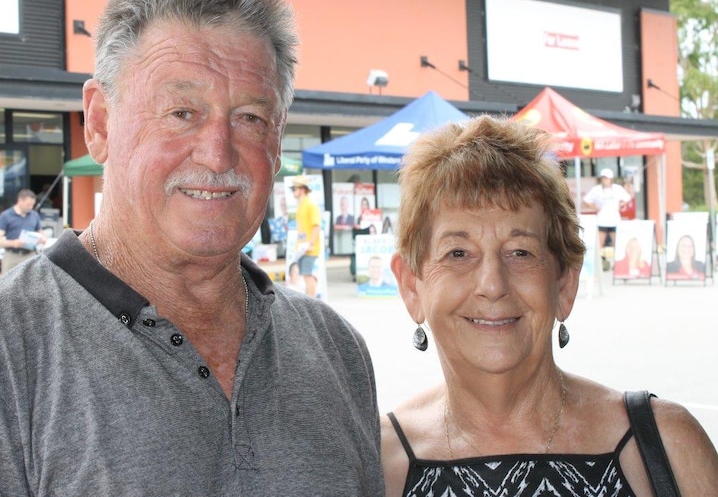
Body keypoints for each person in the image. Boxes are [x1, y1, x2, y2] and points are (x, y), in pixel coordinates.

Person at [0, 0, 383, 496]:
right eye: (181, 112)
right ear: (99, 123)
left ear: (279, 138)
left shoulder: (336, 349)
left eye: (250, 118)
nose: (218, 155)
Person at [382, 115, 718, 496]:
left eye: (520, 252)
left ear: (565, 283)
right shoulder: (374, 464)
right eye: (458, 253)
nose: (492, 284)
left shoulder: (665, 448)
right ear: (411, 285)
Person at [0, 188, 47, 273]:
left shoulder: (34, 215)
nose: (30, 207)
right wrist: (13, 243)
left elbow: (40, 233)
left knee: (32, 283)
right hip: (12, 255)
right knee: (7, 283)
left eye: (32, 205)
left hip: (30, 254)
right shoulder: (6, 216)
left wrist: (42, 239)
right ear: (20, 200)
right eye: (28, 205)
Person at [582, 168, 631, 256]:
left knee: (616, 242)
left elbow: (627, 198)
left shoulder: (617, 188)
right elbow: (586, 200)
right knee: (600, 243)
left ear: (611, 179)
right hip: (602, 219)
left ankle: (615, 262)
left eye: (606, 178)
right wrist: (594, 207)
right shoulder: (596, 189)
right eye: (603, 178)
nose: (605, 180)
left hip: (615, 219)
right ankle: (600, 262)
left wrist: (622, 204)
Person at [292, 174, 322, 298]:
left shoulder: (310, 206)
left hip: (308, 248)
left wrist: (311, 243)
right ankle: (311, 299)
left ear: (303, 189)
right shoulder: (301, 206)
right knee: (305, 275)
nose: (294, 191)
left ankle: (313, 301)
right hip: (303, 248)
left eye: (295, 189)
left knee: (307, 275)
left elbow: (316, 226)